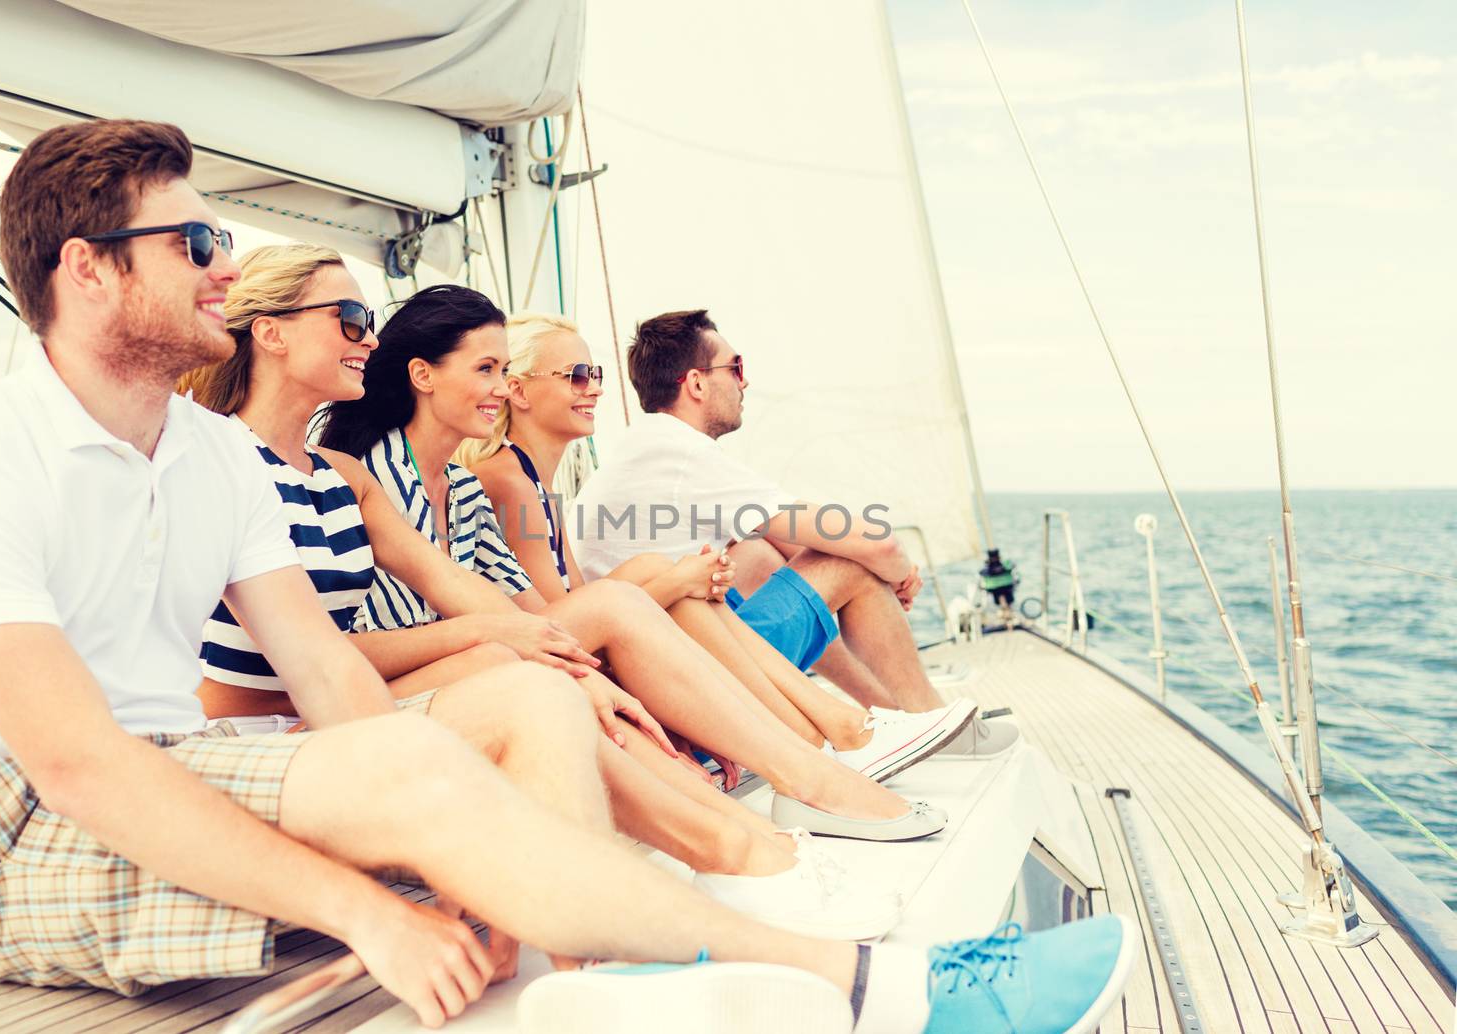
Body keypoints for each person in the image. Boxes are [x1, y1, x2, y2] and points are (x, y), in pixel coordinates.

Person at [0, 117, 1134, 1034]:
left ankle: (588, 987)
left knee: (523, 700)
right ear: (85, 267)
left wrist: (440, 808)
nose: (221, 262)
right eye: (194, 237)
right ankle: (870, 983)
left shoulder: (209, 456)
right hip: (14, 830)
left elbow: (329, 677)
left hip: (183, 769)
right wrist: (373, 901)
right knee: (449, 741)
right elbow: (81, 767)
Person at [178, 243, 902, 939]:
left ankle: (763, 825)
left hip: (341, 708)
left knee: (556, 646)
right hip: (266, 736)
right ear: (269, 333)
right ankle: (741, 840)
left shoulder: (341, 474)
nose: (369, 341)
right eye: (351, 321)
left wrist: (558, 655)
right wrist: (507, 641)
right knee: (522, 658)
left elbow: (463, 591)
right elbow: (312, 655)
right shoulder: (221, 461)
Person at [315, 285, 957, 841]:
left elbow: (543, 618)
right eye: (488, 371)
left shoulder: (461, 490)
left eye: (504, 371)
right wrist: (663, 583)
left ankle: (835, 739)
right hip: (407, 691)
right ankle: (841, 741)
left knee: (680, 579)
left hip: (497, 662)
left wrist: (653, 590)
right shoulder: (384, 479)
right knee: (672, 586)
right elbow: (348, 648)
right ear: (424, 375)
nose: (499, 388)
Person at [461, 313, 970, 781]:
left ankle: (861, 724)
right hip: (638, 665)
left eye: (595, 374)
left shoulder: (546, 482)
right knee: (821, 567)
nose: (593, 388)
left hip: (650, 650)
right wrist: (894, 566)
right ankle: (897, 722)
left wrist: (673, 576)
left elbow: (773, 532)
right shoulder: (521, 482)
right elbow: (559, 623)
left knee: (740, 558)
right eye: (576, 376)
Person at [573, 309, 1019, 757]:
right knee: (847, 563)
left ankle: (889, 717)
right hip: (682, 697)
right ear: (696, 383)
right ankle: (932, 723)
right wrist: (899, 571)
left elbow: (792, 533)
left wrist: (878, 558)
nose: (744, 383)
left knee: (758, 556)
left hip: (652, 670)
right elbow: (872, 541)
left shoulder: (646, 448)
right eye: (736, 368)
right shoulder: (684, 456)